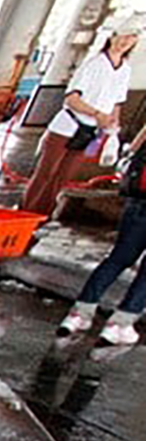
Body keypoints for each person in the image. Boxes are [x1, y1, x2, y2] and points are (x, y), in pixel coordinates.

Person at [21, 19, 140, 217]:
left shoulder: (124, 70)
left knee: (63, 176)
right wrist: (96, 114)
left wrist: (112, 128)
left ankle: (43, 215)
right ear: (111, 38)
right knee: (45, 173)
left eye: (131, 38)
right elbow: (71, 99)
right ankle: (26, 213)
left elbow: (117, 102)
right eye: (122, 36)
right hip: (67, 126)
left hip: (91, 131)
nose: (125, 41)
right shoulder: (94, 64)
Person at [58, 121, 146, 345]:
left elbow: (138, 141)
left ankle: (79, 315)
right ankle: (120, 324)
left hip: (138, 199)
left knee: (117, 259)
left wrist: (127, 158)